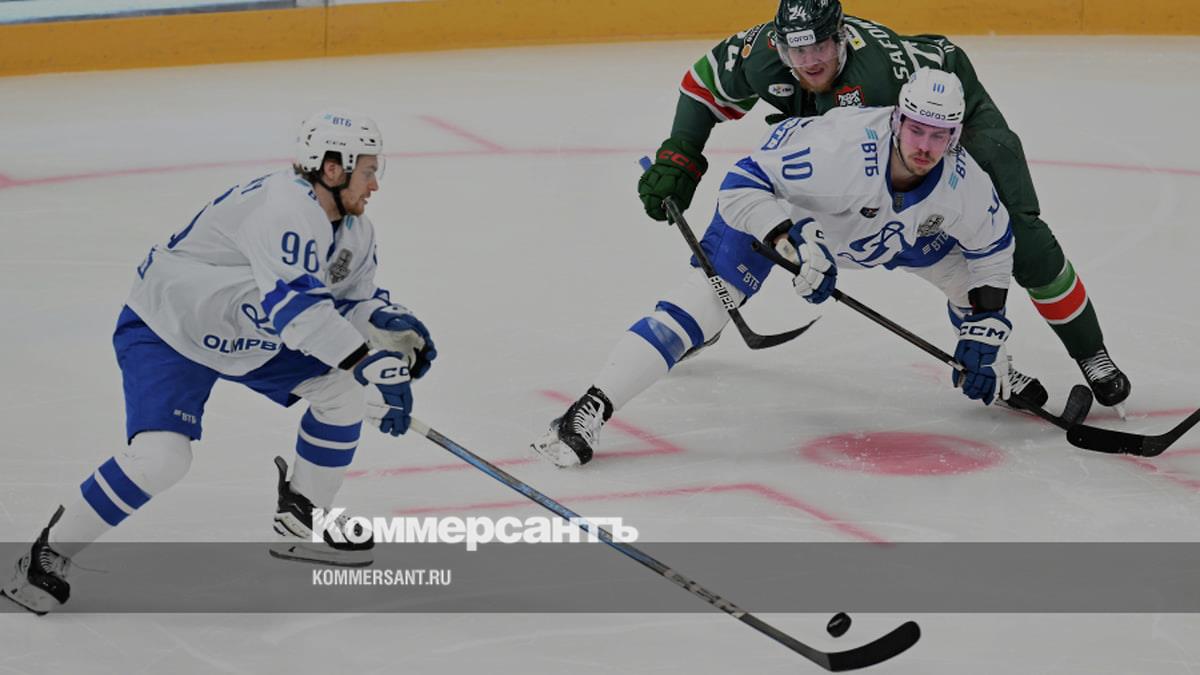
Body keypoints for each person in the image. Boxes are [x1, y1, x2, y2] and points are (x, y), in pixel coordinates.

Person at [1, 111, 437, 615]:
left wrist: (382, 321)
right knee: (162, 458)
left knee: (340, 392)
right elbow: (300, 313)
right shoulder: (285, 209)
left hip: (250, 334)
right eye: (367, 170)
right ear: (332, 168)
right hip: (171, 329)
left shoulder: (355, 231)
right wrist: (365, 361)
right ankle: (47, 553)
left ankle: (304, 517)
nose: (375, 183)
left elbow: (346, 300)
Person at [636, 0, 1129, 411]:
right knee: (765, 202)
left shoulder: (876, 83)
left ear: (842, 38)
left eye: (821, 47)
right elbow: (703, 86)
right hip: (850, 126)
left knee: (1016, 236)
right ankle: (712, 306)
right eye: (797, 50)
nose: (809, 61)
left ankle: (1090, 354)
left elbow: (917, 154)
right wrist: (681, 156)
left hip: (935, 121)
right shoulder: (763, 54)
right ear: (779, 45)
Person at [534, 69, 1033, 467]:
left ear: (956, 135)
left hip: (878, 231)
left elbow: (992, 251)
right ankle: (589, 409)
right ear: (897, 120)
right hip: (778, 210)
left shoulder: (964, 183)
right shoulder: (841, 150)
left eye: (939, 136)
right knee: (704, 307)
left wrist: (986, 331)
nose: (924, 147)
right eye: (916, 129)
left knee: (969, 288)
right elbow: (740, 187)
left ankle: (998, 370)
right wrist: (788, 241)